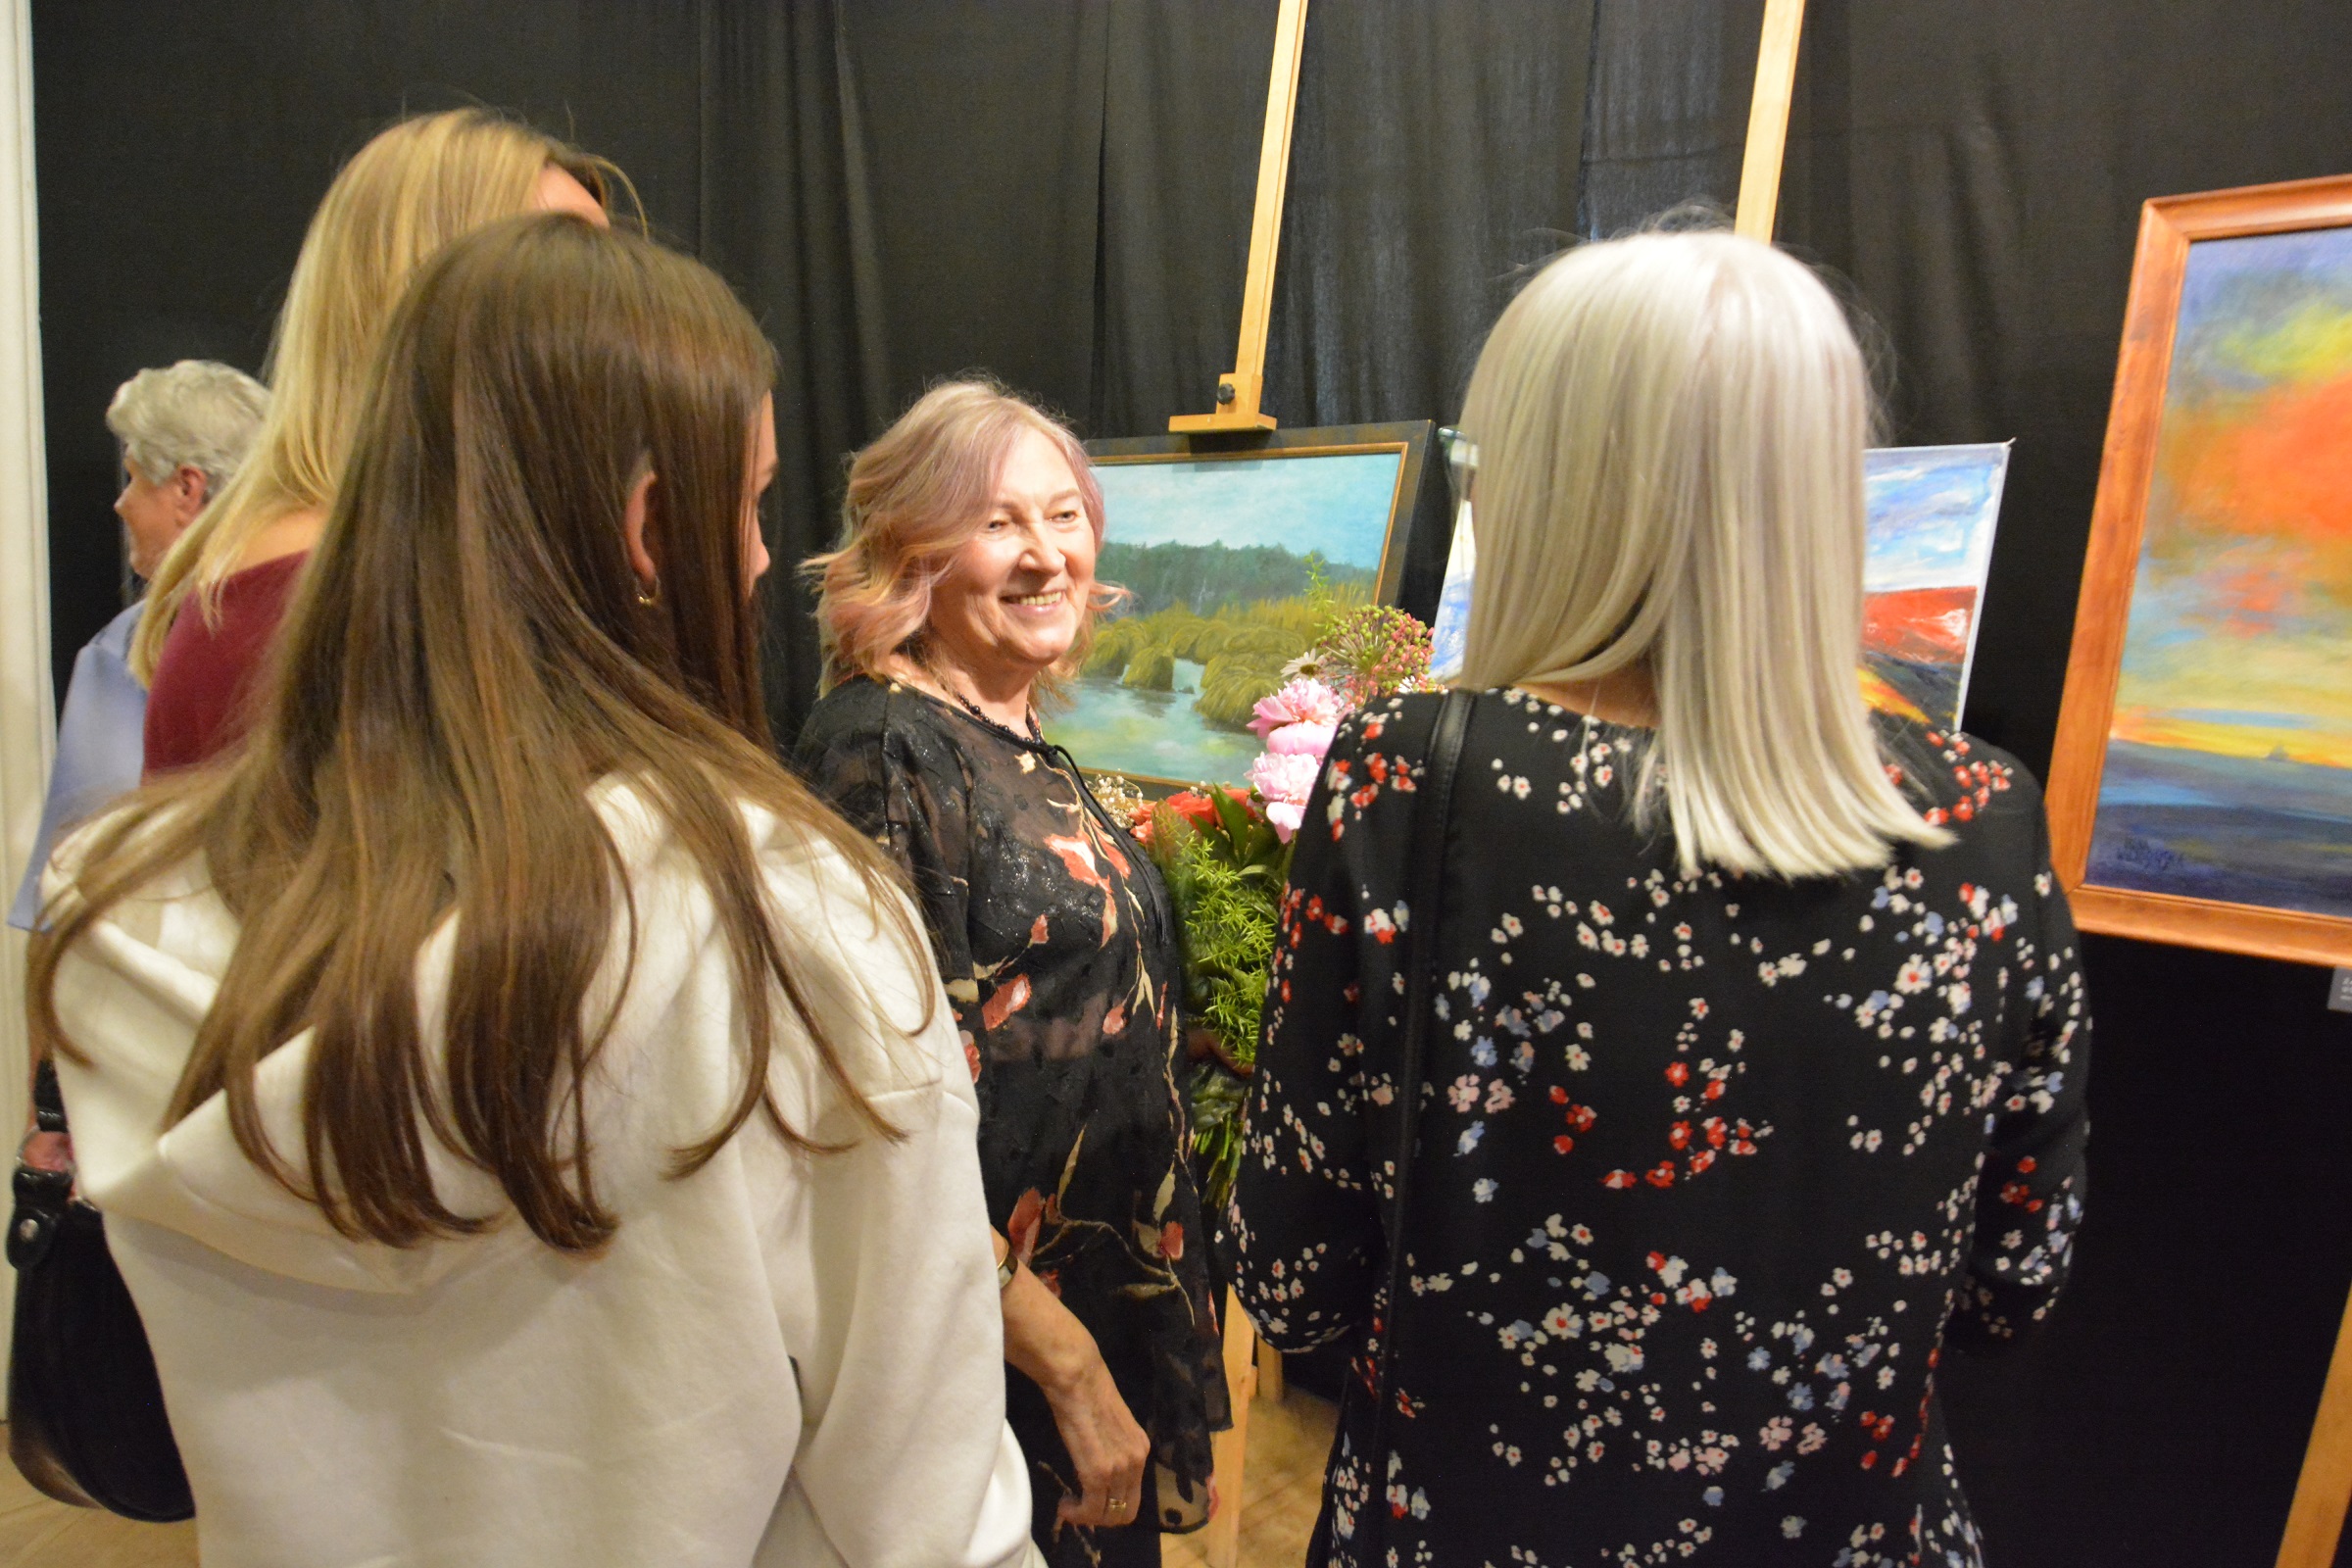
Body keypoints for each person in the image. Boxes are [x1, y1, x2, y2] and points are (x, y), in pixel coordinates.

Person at [30, 216, 1041, 1568]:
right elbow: (931, 1512)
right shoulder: (796, 929)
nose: (757, 560)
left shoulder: (130, 913)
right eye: (747, 503)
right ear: (647, 528)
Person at [1232, 230, 2090, 1567]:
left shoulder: (1414, 778)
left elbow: (1293, 1277)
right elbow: (2011, 1287)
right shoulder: (1983, 813)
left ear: (1551, 488)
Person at [797, 380, 1228, 1566]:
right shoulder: (883, 750)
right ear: (913, 551)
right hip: (1000, 1358)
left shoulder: (1009, 731)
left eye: (1064, 515)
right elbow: (878, 1119)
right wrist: (1069, 1367)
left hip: (1085, 1310)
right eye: (997, 523)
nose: (1046, 555)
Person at [134, 106, 619, 774]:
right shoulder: (308, 600)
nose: (623, 315)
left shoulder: (409, 561)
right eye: (576, 273)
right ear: (433, 294)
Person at [8, 360, 266, 931]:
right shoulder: (329, 615)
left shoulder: (126, 648)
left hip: (167, 958)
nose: (121, 504)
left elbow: (83, 883)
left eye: (133, 477)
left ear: (186, 489)